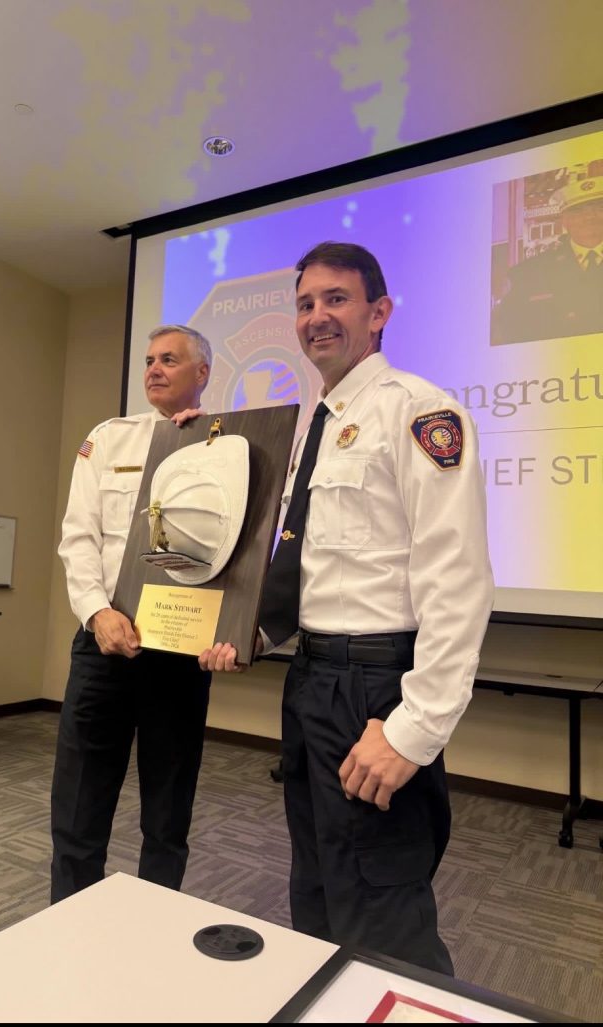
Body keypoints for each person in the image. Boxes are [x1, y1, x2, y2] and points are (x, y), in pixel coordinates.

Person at [201, 242, 494, 975]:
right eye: (305, 304)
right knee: (318, 891)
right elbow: (306, 564)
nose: (317, 317)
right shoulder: (314, 430)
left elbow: (458, 580)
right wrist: (251, 631)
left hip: (375, 690)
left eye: (336, 299)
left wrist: (414, 728)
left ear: (379, 313)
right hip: (311, 681)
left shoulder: (422, 412)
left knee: (384, 912)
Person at [51, 324, 213, 903]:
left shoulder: (229, 447)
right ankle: (67, 925)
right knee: (78, 807)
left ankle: (155, 925)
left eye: (170, 359)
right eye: (148, 360)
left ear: (203, 374)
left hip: (177, 653)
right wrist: (97, 613)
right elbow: (78, 539)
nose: (153, 369)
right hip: (104, 643)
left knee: (168, 816)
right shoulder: (109, 439)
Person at [493, 175, 603, 345]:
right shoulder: (529, 272)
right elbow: (510, 328)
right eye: (578, 211)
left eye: (598, 208)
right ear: (565, 220)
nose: (589, 217)